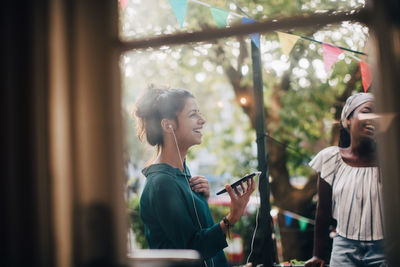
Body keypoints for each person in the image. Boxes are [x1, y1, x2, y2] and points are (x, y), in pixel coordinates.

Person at [134, 85, 256, 267]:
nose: (203, 120)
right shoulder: (162, 183)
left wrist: (202, 199)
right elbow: (193, 249)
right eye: (192, 115)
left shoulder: (184, 174)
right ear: (168, 125)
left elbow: (199, 232)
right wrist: (231, 218)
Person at [305, 92, 386, 267]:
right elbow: (323, 211)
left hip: (385, 250)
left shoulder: (390, 160)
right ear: (348, 119)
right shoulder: (330, 158)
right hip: (344, 250)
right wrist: (318, 255)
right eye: (366, 111)